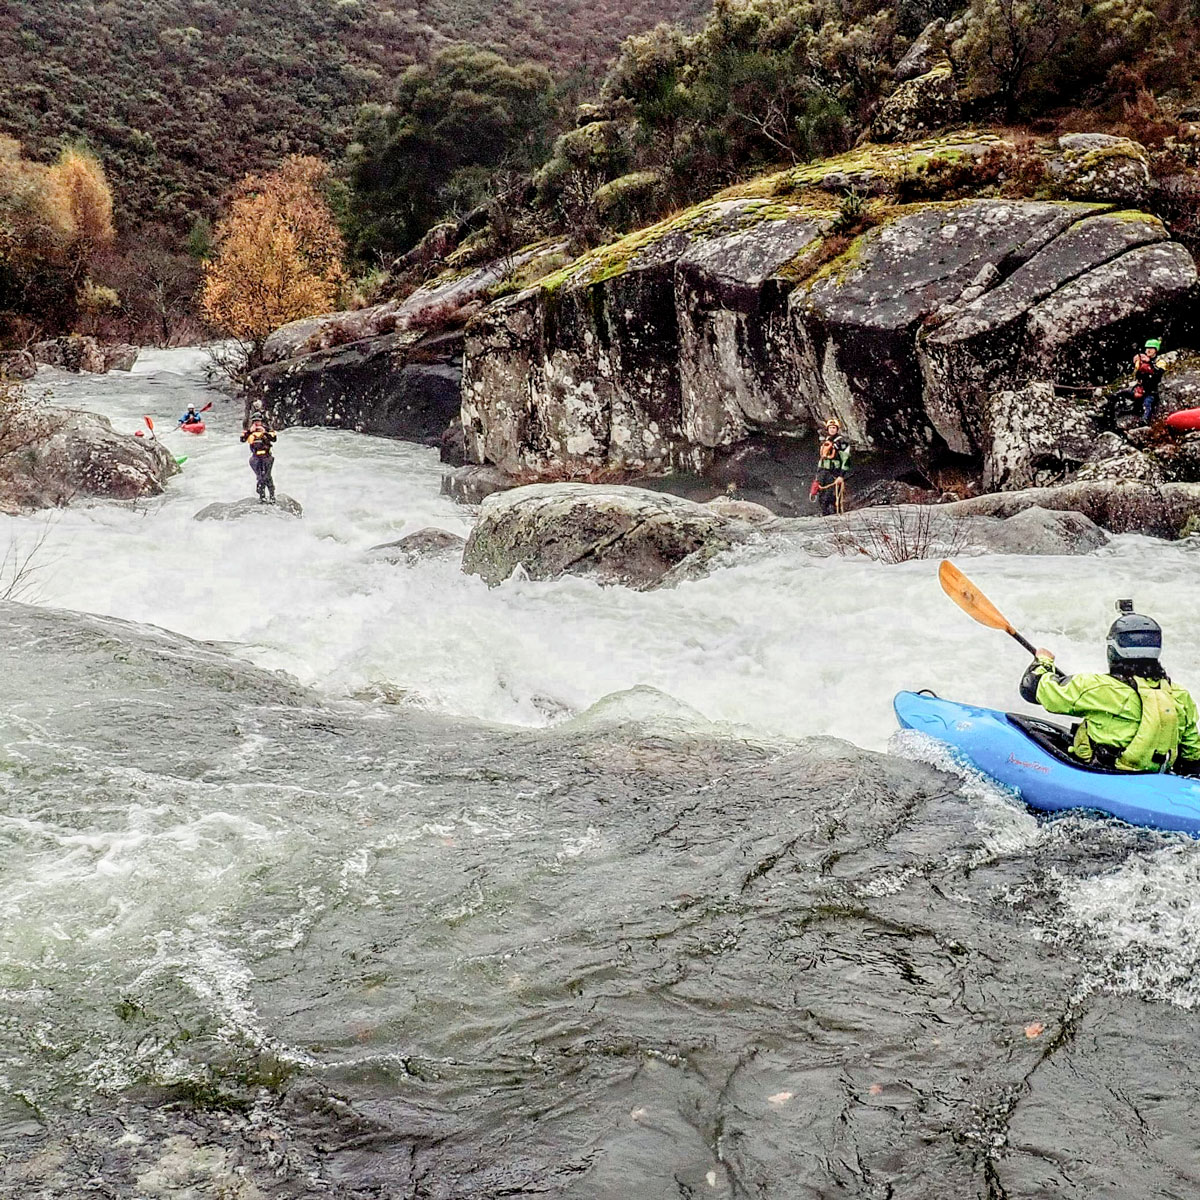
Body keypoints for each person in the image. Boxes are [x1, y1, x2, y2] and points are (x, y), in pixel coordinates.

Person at [1020, 601, 1200, 772]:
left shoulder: (1096, 688)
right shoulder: (1179, 695)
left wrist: (1043, 661)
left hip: (1104, 774)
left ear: (1113, 651)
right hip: (1154, 779)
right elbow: (1192, 756)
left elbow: (1032, 688)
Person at [810, 417, 851, 516]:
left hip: (833, 473)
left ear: (837, 429)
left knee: (829, 497)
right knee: (821, 497)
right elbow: (822, 459)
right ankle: (825, 515)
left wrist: (841, 476)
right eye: (830, 428)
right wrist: (817, 476)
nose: (832, 429)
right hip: (823, 472)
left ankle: (832, 515)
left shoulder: (842, 442)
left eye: (834, 428)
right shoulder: (826, 441)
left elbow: (846, 460)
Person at [240, 417, 277, 503]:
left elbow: (274, 439)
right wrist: (250, 431)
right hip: (255, 457)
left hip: (267, 456)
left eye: (258, 421)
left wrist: (265, 432)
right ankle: (262, 496)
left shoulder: (267, 429)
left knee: (267, 476)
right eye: (255, 421)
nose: (257, 423)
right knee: (260, 477)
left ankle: (272, 496)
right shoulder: (249, 431)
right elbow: (242, 439)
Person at [1132, 338, 1165, 423]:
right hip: (1140, 389)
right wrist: (1137, 363)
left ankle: (1145, 421)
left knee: (1147, 403)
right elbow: (1135, 374)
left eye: (1151, 348)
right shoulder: (1141, 360)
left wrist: (1149, 363)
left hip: (1151, 391)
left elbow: (1158, 374)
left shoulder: (1160, 361)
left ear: (1155, 350)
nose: (1148, 350)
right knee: (1118, 395)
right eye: (1147, 348)